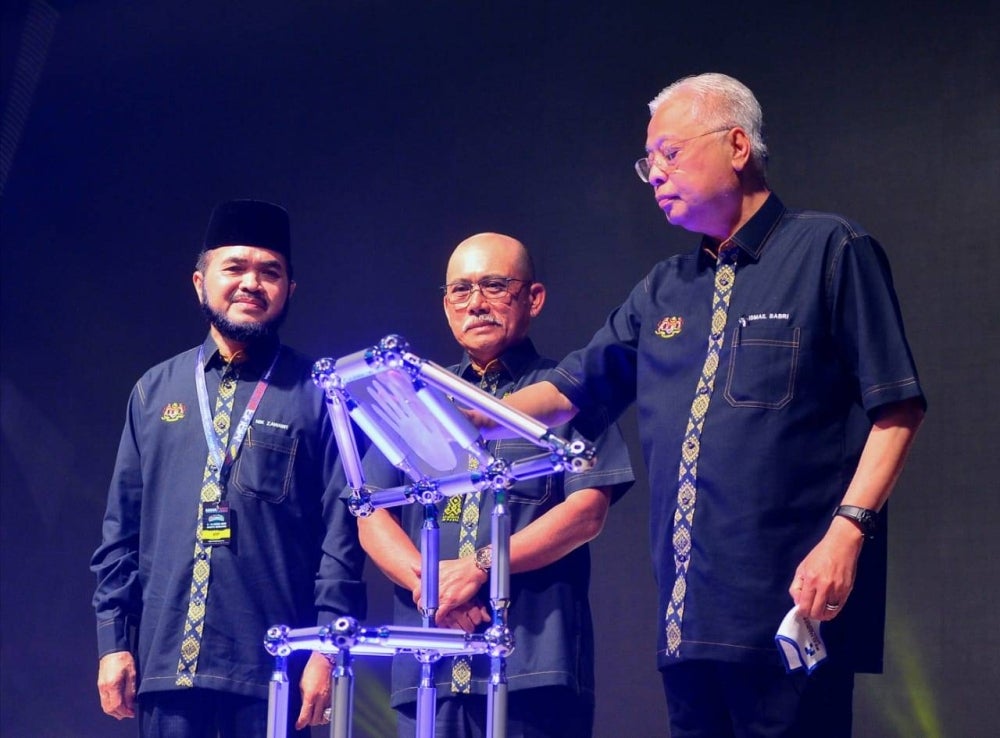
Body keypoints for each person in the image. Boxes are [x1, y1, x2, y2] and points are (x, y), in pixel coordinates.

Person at [486, 73, 927, 737]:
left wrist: (847, 532)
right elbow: (568, 390)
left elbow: (897, 407)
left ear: (739, 146)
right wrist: (448, 409)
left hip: (790, 614)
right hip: (687, 628)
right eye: (647, 161)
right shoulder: (663, 289)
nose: (654, 173)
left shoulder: (829, 250)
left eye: (669, 152)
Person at [91, 199, 366, 737]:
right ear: (200, 282)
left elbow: (344, 535)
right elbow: (119, 532)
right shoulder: (154, 391)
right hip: (165, 669)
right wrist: (113, 643)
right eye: (234, 268)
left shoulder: (322, 394)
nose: (251, 284)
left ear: (290, 289)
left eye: (270, 272)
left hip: (276, 671)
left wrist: (328, 651)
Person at [357, 232, 635, 738]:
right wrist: (430, 587)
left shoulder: (567, 393)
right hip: (428, 664)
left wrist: (480, 567)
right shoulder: (417, 396)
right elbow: (371, 511)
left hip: (532, 664)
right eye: (461, 290)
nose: (476, 303)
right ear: (445, 306)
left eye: (493, 285)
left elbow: (587, 512)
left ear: (534, 298)